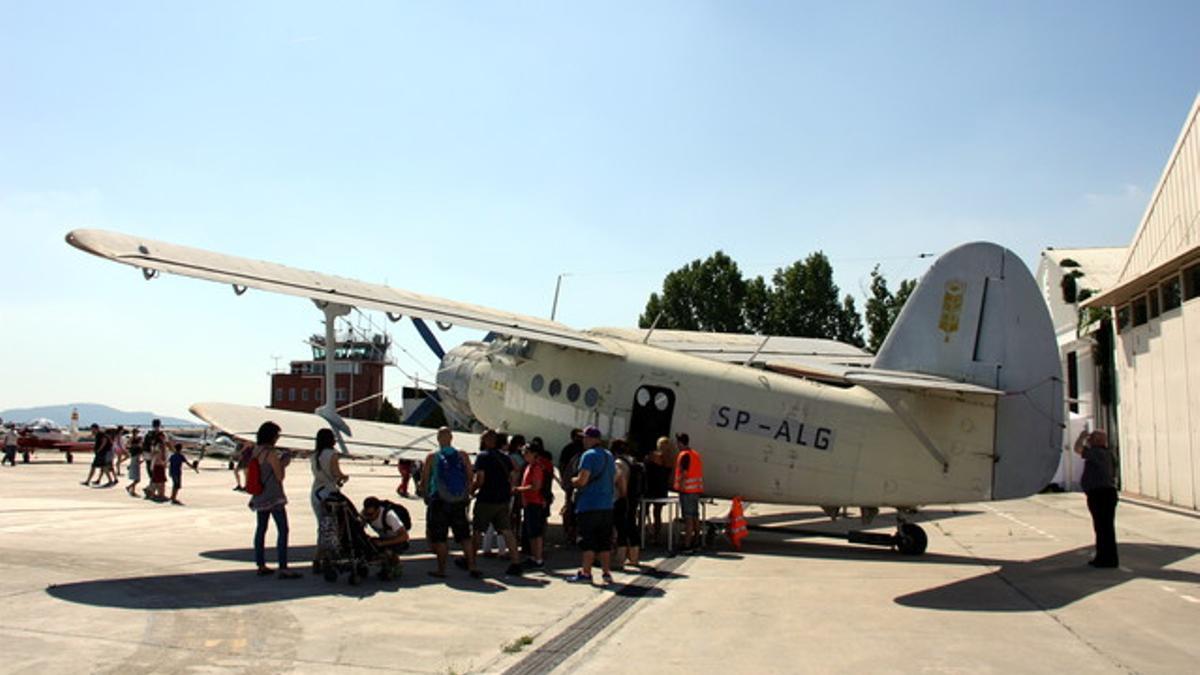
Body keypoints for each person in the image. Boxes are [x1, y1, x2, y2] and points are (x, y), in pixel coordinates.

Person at [420, 427, 478, 579]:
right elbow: (470, 475)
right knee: (465, 536)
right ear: (452, 438)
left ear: (438, 439)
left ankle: (441, 569)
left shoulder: (432, 456)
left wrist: (425, 495)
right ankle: (472, 565)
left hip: (438, 500)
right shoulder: (462, 454)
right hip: (458, 500)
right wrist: (466, 493)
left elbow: (425, 479)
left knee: (440, 537)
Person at [249, 421, 300, 579]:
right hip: (274, 496)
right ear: (272, 436)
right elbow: (279, 476)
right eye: (277, 435)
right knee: (283, 530)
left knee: (261, 530)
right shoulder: (270, 453)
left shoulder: (256, 451)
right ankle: (283, 567)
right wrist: (284, 462)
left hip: (259, 495)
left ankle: (261, 564)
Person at [568, 425, 616, 584]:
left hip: (589, 504)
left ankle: (586, 573)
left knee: (587, 541)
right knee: (604, 542)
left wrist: (573, 481)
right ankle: (606, 573)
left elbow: (583, 480)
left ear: (592, 439)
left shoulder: (588, 456)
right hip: (606, 506)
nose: (584, 440)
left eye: (586, 438)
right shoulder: (609, 455)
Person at [471, 429, 523, 576]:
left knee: (477, 531)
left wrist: (472, 490)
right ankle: (515, 562)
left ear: (486, 441)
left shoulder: (482, 457)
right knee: (507, 531)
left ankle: (472, 563)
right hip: (503, 500)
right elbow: (513, 475)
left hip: (486, 499)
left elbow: (480, 478)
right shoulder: (506, 458)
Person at [1076, 428, 1119, 568]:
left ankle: (1105, 558)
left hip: (1100, 494)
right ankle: (1107, 557)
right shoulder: (1108, 454)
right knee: (1106, 528)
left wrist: (1081, 437)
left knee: (1102, 527)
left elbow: (1078, 449)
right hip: (1107, 493)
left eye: (1092, 438)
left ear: (1097, 441)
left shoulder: (1096, 452)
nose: (1089, 440)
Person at [514, 438, 549, 569]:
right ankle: (534, 556)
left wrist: (519, 489)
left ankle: (538, 558)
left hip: (535, 502)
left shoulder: (537, 467)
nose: (524, 454)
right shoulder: (529, 466)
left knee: (535, 532)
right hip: (529, 502)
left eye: (526, 452)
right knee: (531, 532)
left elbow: (536, 486)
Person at [612, 440, 645, 569]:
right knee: (632, 526)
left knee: (621, 528)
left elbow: (619, 481)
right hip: (634, 498)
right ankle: (634, 558)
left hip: (623, 498)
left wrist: (621, 496)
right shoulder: (633, 461)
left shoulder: (619, 463)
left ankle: (620, 558)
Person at [361, 496, 410, 579]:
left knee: (387, 551)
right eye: (367, 514)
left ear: (378, 510)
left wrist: (383, 543)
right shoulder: (365, 514)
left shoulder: (389, 516)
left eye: (371, 514)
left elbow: (405, 536)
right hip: (384, 538)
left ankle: (395, 567)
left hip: (398, 539)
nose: (369, 517)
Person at [673, 432, 704, 553]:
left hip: (687, 491)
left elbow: (684, 473)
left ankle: (687, 544)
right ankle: (696, 541)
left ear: (680, 443)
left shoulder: (684, 455)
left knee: (688, 518)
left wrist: (680, 485)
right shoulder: (695, 454)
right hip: (695, 490)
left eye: (677, 443)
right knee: (695, 516)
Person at [644, 436, 674, 544]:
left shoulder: (653, 457)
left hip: (650, 488)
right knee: (657, 513)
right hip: (661, 489)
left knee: (645, 511)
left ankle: (644, 533)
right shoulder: (670, 459)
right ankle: (656, 535)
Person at [558, 428, 584, 543]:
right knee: (571, 508)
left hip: (575, 483)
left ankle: (571, 533)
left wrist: (564, 480)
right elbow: (562, 466)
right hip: (576, 484)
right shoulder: (575, 449)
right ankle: (572, 532)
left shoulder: (569, 449)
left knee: (571, 507)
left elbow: (561, 465)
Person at [126, 430, 144, 497]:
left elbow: (128, 446)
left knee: (136, 477)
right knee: (137, 478)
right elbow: (129, 446)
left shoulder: (134, 440)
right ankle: (129, 488)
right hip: (135, 458)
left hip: (135, 458)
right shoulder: (134, 441)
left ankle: (132, 490)